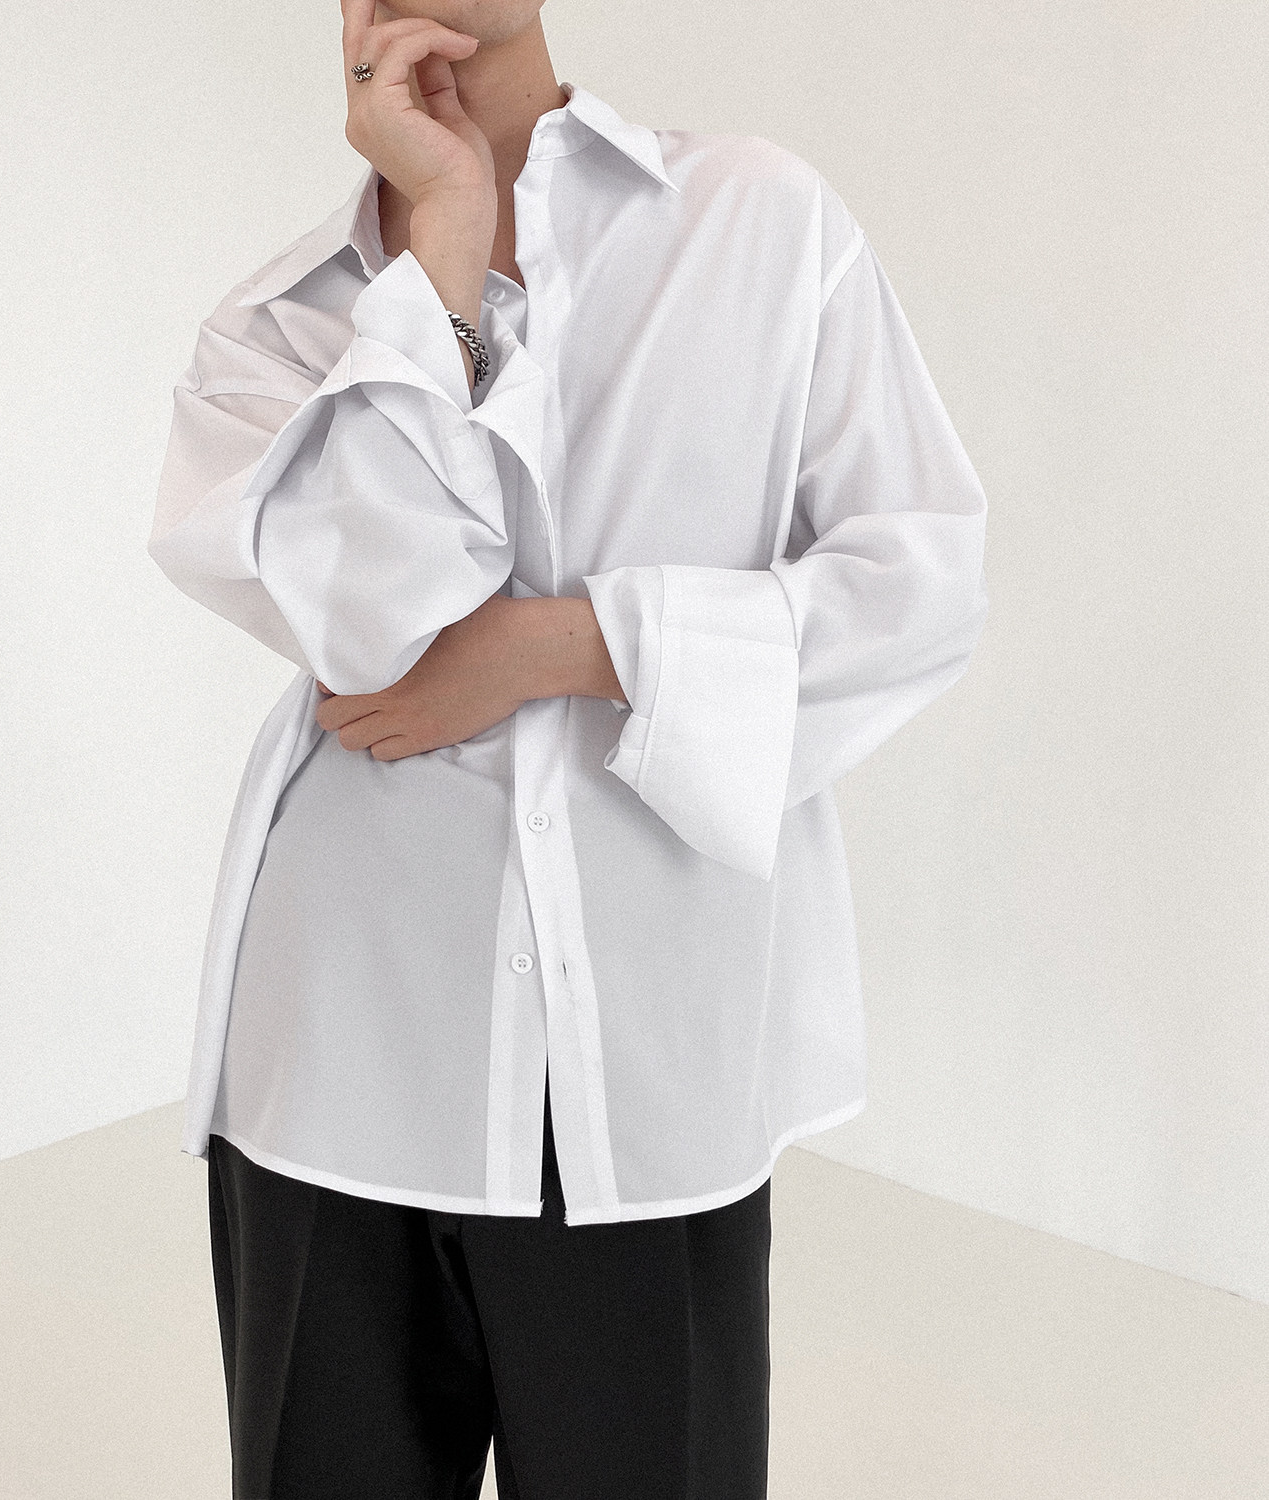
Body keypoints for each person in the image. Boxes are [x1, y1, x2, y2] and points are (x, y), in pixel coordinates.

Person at [148, 0, 991, 1495]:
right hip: (338, 1058)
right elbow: (382, 617)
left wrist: (577, 643)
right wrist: (445, 242)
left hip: (646, 1079)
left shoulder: (761, 222)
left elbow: (918, 585)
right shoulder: (272, 333)